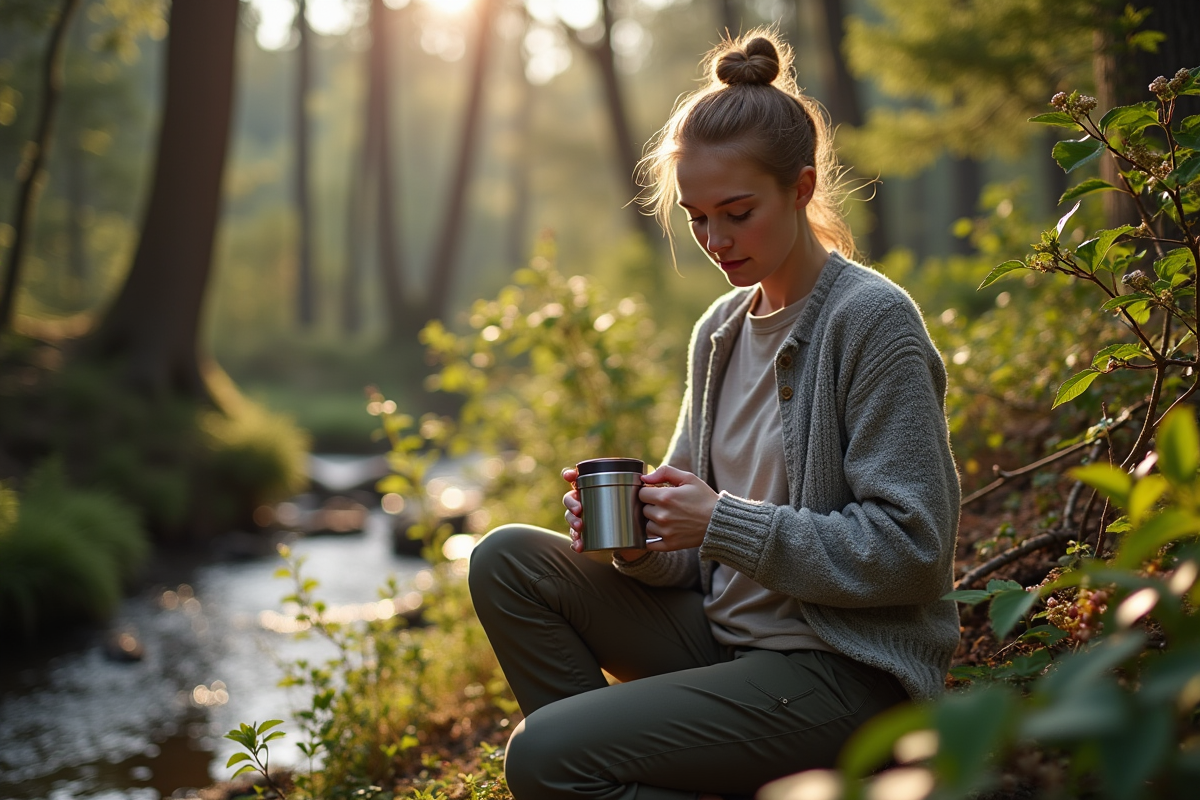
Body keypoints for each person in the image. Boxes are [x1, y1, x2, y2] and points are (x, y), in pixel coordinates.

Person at [468, 30, 960, 800]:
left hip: (843, 678)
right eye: (697, 219)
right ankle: (621, 772)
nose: (715, 241)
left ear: (801, 189)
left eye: (737, 212)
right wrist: (638, 536)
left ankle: (591, 773)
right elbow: (688, 557)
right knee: (506, 560)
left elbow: (912, 551)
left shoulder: (872, 322)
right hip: (726, 646)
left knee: (542, 757)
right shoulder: (721, 331)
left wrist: (722, 520)